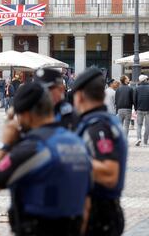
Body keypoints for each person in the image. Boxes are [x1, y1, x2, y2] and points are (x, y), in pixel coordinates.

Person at [0, 82, 91, 236]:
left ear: (26, 115)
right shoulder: (76, 142)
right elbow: (87, 202)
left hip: (38, 226)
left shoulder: (33, 148)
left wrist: (4, 145)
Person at [73, 67, 127, 236]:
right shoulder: (104, 121)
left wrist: (67, 158)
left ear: (79, 96)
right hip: (104, 210)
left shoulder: (98, 127)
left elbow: (110, 173)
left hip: (98, 212)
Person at [134, 75, 149, 146]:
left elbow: (135, 99)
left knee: (139, 125)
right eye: (147, 79)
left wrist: (136, 108)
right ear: (145, 80)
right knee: (147, 125)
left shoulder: (137, 88)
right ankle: (145, 141)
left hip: (139, 109)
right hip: (148, 110)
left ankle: (138, 138)